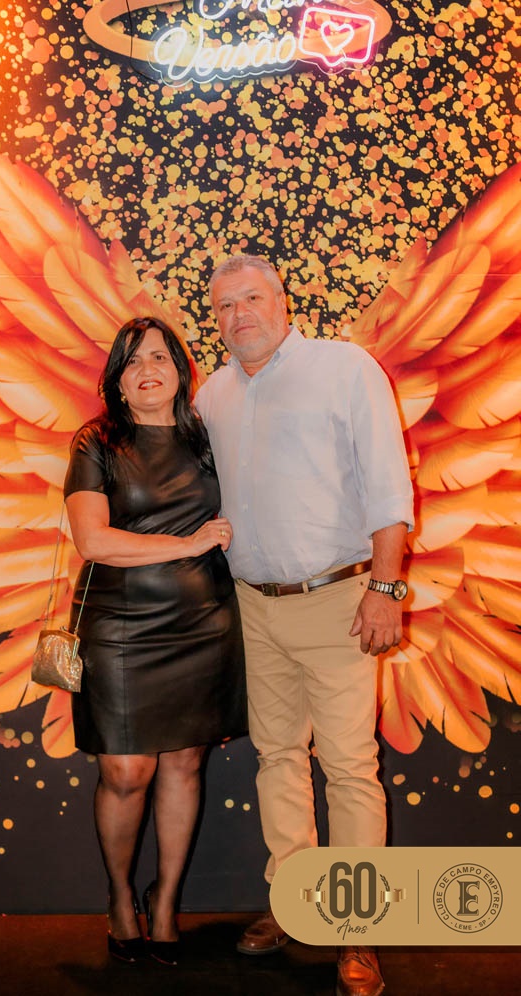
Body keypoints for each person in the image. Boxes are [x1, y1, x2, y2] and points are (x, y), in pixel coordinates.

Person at [195, 255, 414, 996]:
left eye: (251, 298)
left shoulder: (345, 369)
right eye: (225, 306)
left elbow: (389, 486)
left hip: (340, 600)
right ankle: (293, 902)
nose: (239, 316)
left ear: (282, 301)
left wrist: (385, 588)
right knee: (278, 759)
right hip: (253, 605)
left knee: (349, 767)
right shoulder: (213, 396)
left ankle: (356, 929)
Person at [63, 316, 247, 965]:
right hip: (120, 627)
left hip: (202, 622)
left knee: (184, 764)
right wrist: (189, 543)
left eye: (160, 358)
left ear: (180, 370)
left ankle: (165, 902)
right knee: (126, 770)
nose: (148, 370)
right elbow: (93, 541)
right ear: (116, 378)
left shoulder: (208, 439)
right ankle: (120, 897)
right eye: (133, 361)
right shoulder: (97, 441)